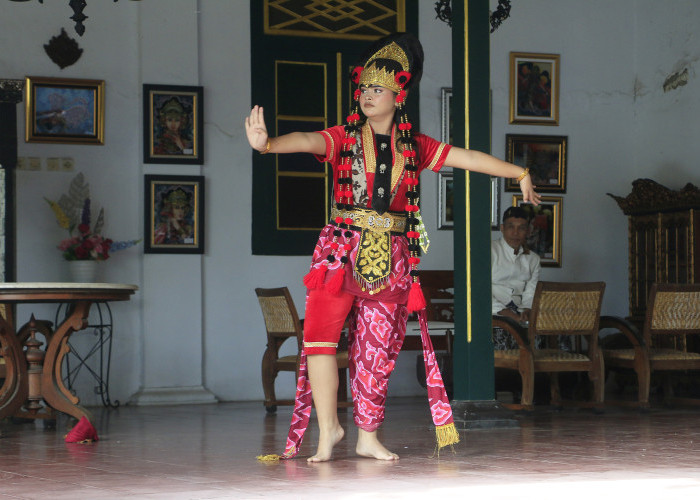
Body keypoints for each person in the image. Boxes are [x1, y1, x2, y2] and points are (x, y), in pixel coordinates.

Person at [246, 32, 540, 463]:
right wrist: (268, 145)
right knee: (320, 341)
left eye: (377, 88)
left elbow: (470, 158)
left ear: (398, 92)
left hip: (392, 258)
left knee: (375, 349)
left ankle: (367, 435)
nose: (367, 94)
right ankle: (328, 432)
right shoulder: (344, 138)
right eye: (363, 86)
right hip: (338, 253)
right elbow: (308, 140)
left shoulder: (416, 147)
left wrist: (520, 172)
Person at [491, 206, 541, 350]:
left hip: (519, 314)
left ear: (528, 231)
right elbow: (479, 290)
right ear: (502, 228)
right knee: (504, 332)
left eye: (521, 228)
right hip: (492, 312)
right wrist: (508, 314)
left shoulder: (533, 259)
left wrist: (526, 309)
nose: (515, 233)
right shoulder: (489, 251)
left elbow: (531, 291)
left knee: (544, 331)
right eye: (510, 227)